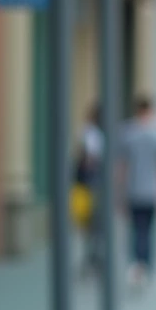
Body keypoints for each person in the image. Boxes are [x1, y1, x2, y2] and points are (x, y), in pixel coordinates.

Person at [118, 96, 156, 290]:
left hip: (133, 191)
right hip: (152, 191)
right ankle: (146, 266)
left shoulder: (127, 133)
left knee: (135, 230)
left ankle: (136, 265)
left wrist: (120, 194)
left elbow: (122, 167)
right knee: (148, 231)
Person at [73, 104, 105, 278]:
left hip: (88, 185)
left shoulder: (89, 133)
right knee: (90, 225)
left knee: (91, 226)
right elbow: (89, 159)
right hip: (89, 185)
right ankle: (91, 259)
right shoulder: (91, 134)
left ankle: (92, 258)